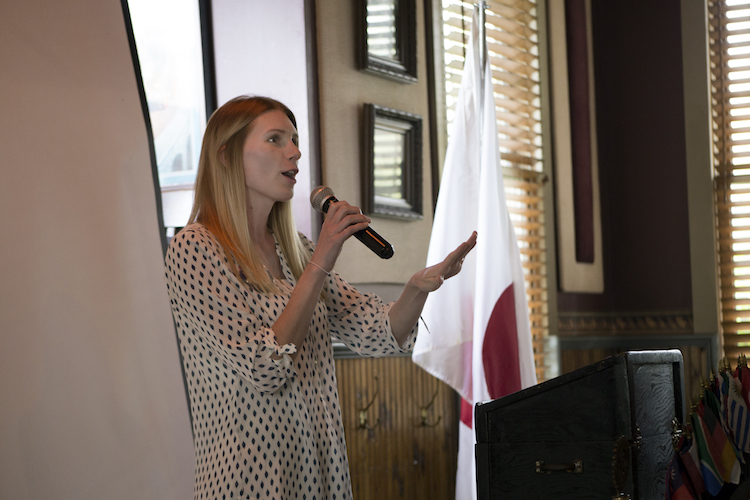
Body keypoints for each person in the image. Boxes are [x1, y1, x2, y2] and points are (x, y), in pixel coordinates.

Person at [164, 95, 476, 500]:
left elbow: (375, 333)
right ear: (226, 155)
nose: (294, 152)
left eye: (294, 140)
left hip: (318, 470)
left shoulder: (295, 248)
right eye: (275, 139)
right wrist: (321, 262)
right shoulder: (196, 247)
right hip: (250, 479)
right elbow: (265, 368)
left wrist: (416, 289)